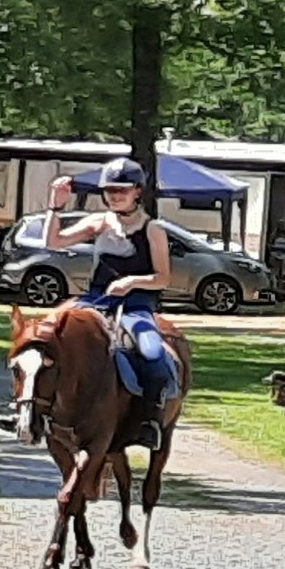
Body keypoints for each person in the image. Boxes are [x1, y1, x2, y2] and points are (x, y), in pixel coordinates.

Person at [47, 158, 181, 407]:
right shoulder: (98, 222)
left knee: (152, 352)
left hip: (136, 305)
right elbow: (53, 243)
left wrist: (131, 282)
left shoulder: (153, 229)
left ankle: (151, 418)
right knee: (49, 335)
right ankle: (35, 409)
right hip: (96, 301)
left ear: (137, 191)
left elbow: (163, 278)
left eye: (122, 190)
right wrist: (55, 207)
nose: (115, 196)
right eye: (110, 190)